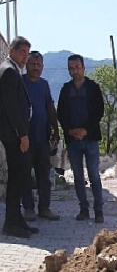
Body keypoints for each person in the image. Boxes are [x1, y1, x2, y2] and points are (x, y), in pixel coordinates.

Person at [57, 54, 105, 223]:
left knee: (94, 175)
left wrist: (85, 130)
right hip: (73, 141)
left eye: (77, 67)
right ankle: (83, 209)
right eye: (71, 68)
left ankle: (98, 211)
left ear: (84, 68)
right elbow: (60, 113)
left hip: (90, 139)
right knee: (78, 177)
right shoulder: (65, 89)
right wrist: (70, 131)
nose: (74, 71)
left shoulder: (93, 87)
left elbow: (99, 111)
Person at [0, 36, 38, 237]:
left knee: (20, 175)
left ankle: (17, 219)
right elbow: (11, 108)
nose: (25, 57)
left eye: (27, 53)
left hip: (15, 134)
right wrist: (22, 135)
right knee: (17, 177)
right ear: (12, 51)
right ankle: (11, 223)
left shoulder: (12, 70)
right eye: (22, 52)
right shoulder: (8, 71)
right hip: (14, 136)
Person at [21, 51, 60, 221]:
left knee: (44, 175)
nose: (36, 68)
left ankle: (44, 208)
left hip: (42, 138)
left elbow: (50, 107)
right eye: (32, 64)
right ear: (26, 65)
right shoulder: (20, 83)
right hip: (25, 138)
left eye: (38, 65)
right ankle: (28, 209)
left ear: (43, 67)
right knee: (25, 175)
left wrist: (56, 129)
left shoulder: (44, 85)